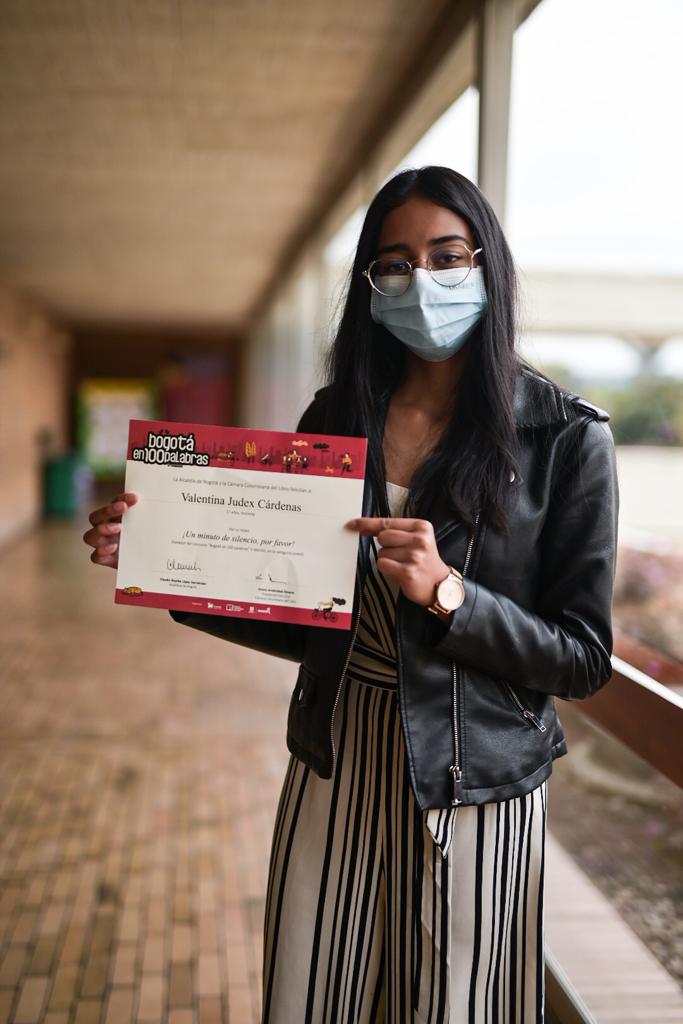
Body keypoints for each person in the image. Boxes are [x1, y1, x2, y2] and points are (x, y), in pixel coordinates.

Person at [83, 165, 619, 1023]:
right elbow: (306, 614)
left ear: (488, 267)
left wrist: (450, 595)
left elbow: (584, 658)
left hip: (475, 783)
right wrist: (164, 562)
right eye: (395, 263)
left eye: (448, 257)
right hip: (337, 753)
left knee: (453, 1004)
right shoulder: (337, 417)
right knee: (314, 990)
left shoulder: (565, 438)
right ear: (370, 284)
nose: (423, 283)